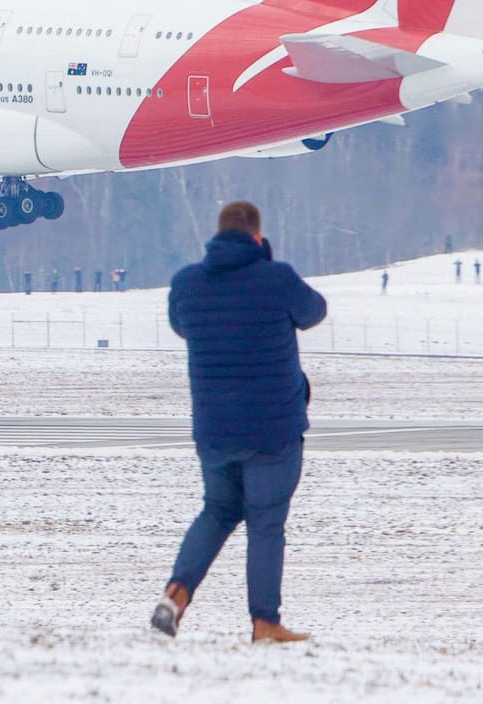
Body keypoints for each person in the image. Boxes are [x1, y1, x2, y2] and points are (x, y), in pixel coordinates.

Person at [153, 200, 324, 644]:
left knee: (217, 511)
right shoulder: (277, 278)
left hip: (214, 429)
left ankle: (176, 595)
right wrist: (265, 262)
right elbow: (314, 311)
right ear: (256, 237)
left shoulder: (187, 284)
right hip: (273, 429)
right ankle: (265, 622)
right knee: (265, 521)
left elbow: (180, 324)